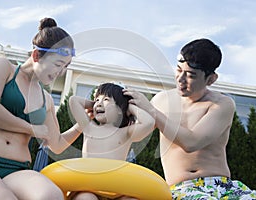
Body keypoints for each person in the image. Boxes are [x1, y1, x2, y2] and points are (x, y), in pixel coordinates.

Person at [0, 17, 82, 200]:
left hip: (16, 169)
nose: (60, 72)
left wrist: (82, 125)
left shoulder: (46, 99)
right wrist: (30, 129)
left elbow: (55, 144)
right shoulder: (3, 67)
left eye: (65, 67)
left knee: (50, 195)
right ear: (37, 55)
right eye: (58, 64)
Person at [123, 38, 256, 199]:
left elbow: (192, 142)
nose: (180, 79)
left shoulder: (222, 104)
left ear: (211, 79)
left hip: (221, 186)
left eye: (191, 75)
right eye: (179, 70)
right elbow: (137, 134)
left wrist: (151, 110)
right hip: (181, 190)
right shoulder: (161, 100)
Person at [68, 83, 155, 200]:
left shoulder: (125, 133)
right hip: (88, 186)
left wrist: (127, 106)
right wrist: (95, 104)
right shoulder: (89, 127)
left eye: (106, 100)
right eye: (97, 99)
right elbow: (74, 101)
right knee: (86, 198)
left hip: (116, 189)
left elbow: (149, 122)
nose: (99, 102)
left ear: (120, 110)